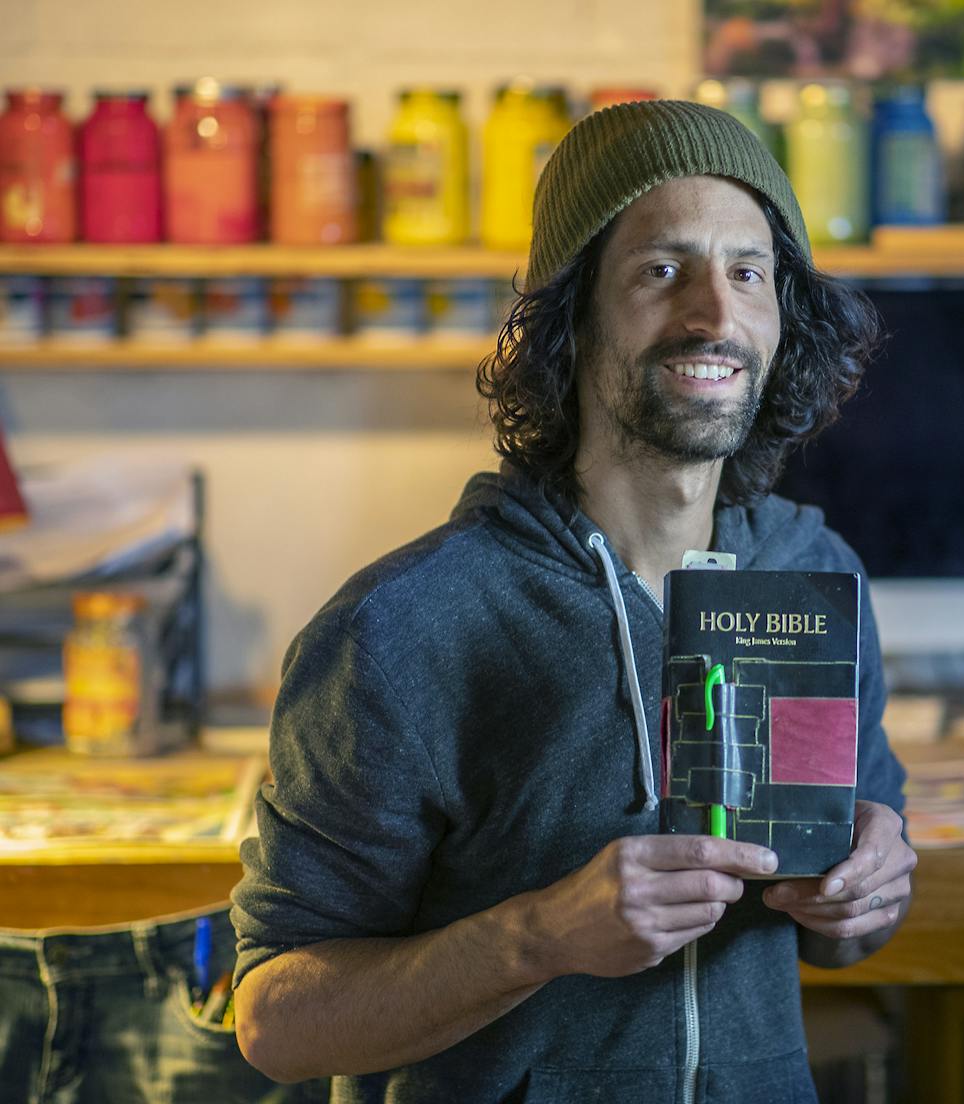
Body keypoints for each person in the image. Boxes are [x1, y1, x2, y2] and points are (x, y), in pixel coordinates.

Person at [231, 99, 915, 1102]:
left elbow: (846, 932)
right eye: (658, 270)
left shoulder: (812, 574)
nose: (714, 315)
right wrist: (538, 937)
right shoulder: (402, 625)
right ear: (571, 310)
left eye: (746, 272)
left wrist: (869, 892)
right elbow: (276, 1020)